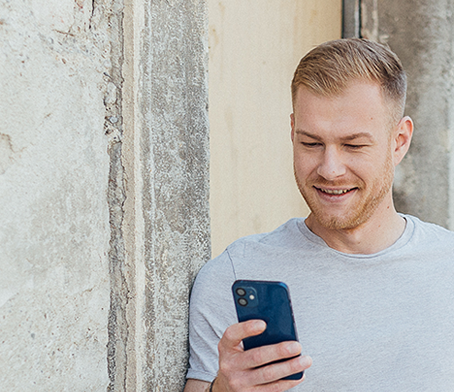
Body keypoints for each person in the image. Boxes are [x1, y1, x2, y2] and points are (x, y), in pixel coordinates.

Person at [184, 38, 454, 392]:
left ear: (399, 141)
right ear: (292, 131)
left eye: (353, 145)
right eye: (311, 143)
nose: (330, 169)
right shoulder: (234, 276)